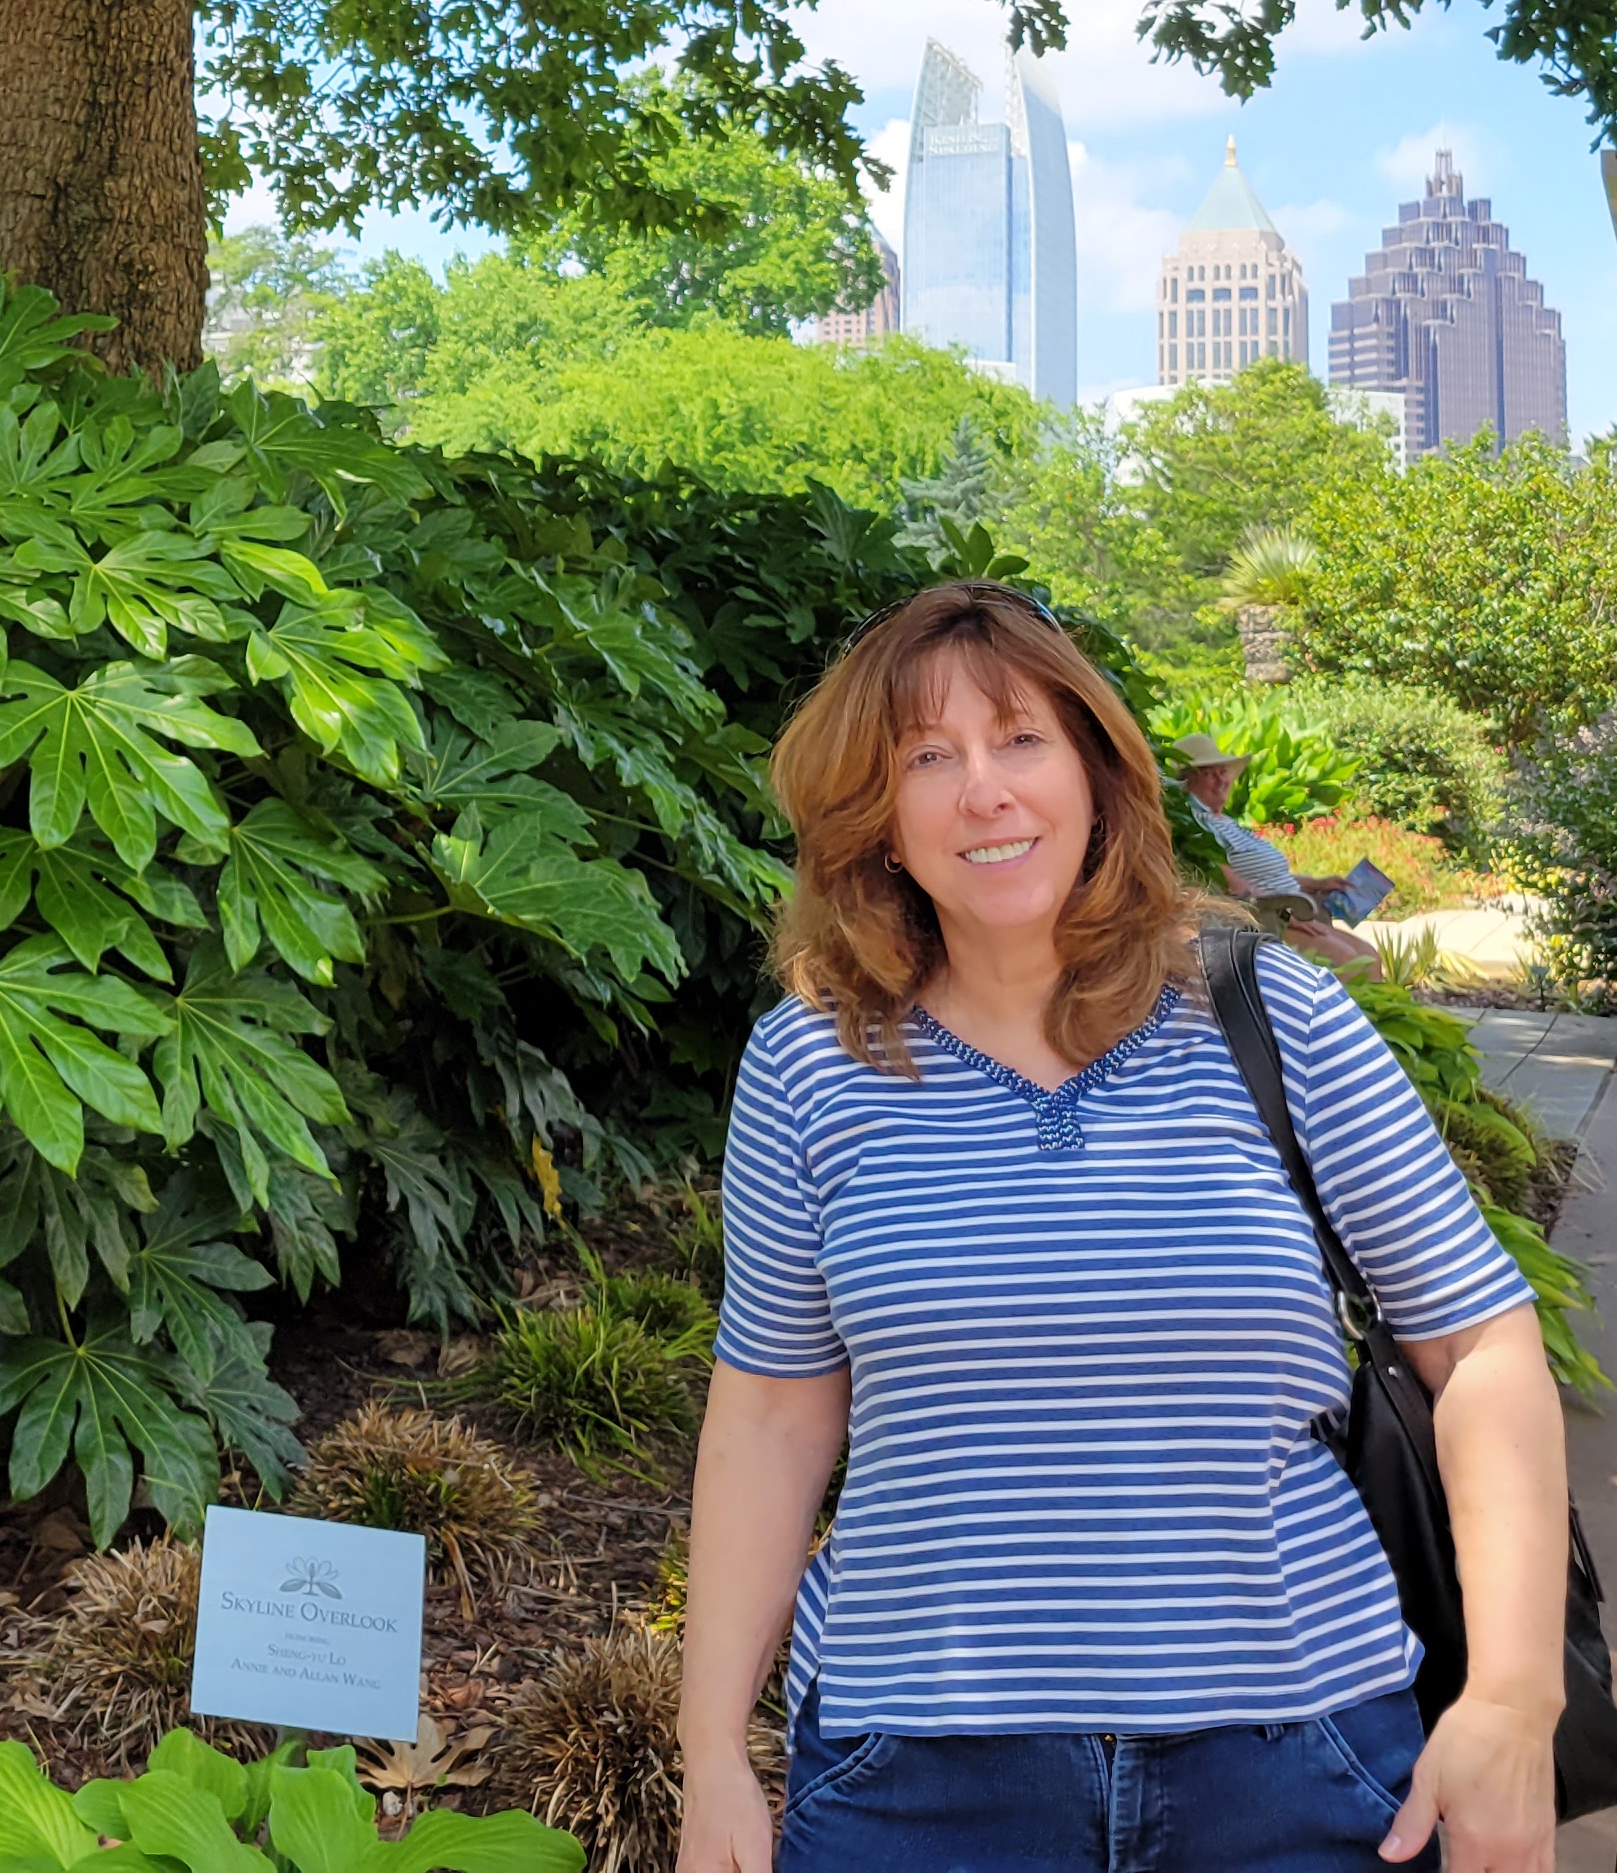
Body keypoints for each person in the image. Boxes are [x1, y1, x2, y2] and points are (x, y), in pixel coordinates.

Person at [670, 582, 1565, 1873]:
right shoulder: (812, 1060)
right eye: (927, 758)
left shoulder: (1276, 1017)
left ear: (1096, 774)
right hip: (916, 1781)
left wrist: (1514, 1702)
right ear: (877, 823)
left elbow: (1478, 1346)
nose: (985, 792)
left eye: (1020, 739)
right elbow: (770, 1414)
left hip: (1300, 1764)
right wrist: (709, 1749)